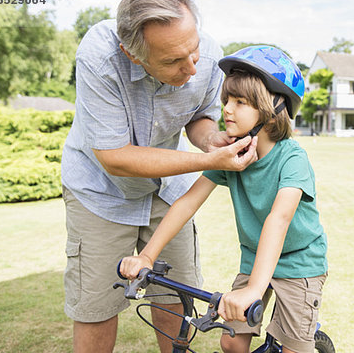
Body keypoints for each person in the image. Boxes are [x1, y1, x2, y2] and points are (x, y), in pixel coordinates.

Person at [61, 0, 258, 353]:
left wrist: (209, 139)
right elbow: (115, 156)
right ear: (132, 54)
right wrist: (207, 160)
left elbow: (200, 116)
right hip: (101, 193)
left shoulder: (209, 56)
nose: (192, 68)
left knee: (176, 297)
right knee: (97, 306)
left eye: (194, 51)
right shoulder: (100, 58)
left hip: (167, 191)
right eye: (172, 61)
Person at [120, 45, 329, 353]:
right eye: (226, 100)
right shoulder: (232, 156)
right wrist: (147, 256)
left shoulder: (292, 159)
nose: (227, 109)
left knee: (295, 348)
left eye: (240, 102)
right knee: (231, 341)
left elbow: (279, 219)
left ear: (273, 109)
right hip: (256, 259)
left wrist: (254, 291)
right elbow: (187, 202)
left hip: (300, 263)